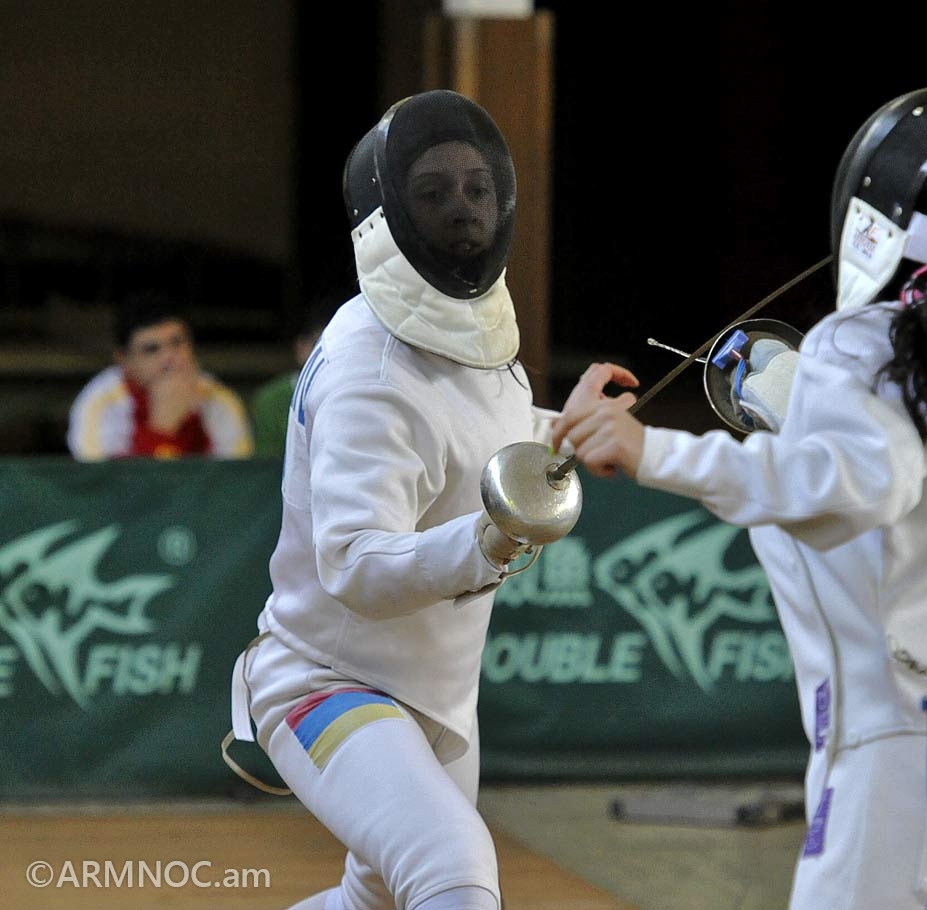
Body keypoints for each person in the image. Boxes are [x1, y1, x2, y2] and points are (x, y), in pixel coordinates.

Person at [552, 85, 927, 910]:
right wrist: (797, 397)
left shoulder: (863, 346)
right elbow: (895, 451)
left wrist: (650, 449)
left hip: (914, 775)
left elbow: (861, 483)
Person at [225, 90, 635, 910]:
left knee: (373, 903)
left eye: (477, 188)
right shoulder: (369, 374)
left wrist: (565, 429)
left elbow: (477, 438)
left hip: (440, 701)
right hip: (326, 683)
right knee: (454, 870)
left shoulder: (475, 334)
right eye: (432, 192)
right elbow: (354, 565)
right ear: (386, 216)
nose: (463, 209)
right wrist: (490, 540)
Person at [67, 290, 253, 460]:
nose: (168, 358)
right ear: (124, 360)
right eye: (151, 349)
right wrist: (162, 429)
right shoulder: (100, 402)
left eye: (177, 343)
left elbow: (234, 480)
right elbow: (102, 482)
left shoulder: (218, 398)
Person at [250, 301, 335, 458]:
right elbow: (265, 464)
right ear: (301, 348)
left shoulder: (356, 393)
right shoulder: (270, 400)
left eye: (337, 347)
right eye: (319, 345)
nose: (329, 355)